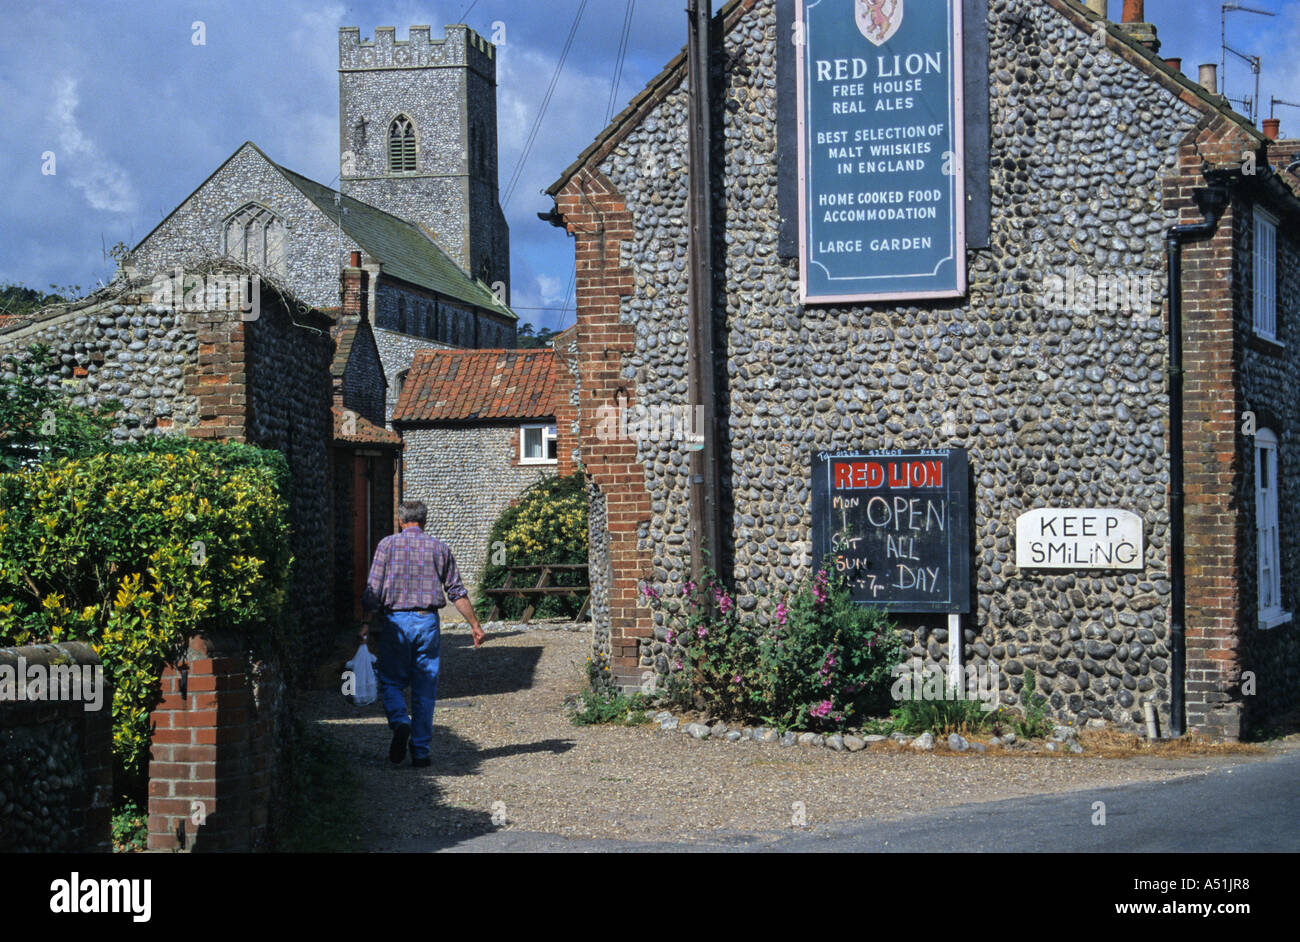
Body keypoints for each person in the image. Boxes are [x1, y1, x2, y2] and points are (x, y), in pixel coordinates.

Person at [361, 500, 486, 767]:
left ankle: (399, 721)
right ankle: (420, 752)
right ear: (425, 521)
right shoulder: (439, 548)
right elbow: (457, 592)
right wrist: (474, 625)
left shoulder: (386, 545)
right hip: (427, 621)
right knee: (425, 688)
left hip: (395, 622)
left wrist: (365, 622)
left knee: (392, 681)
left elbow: (373, 590)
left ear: (400, 520)